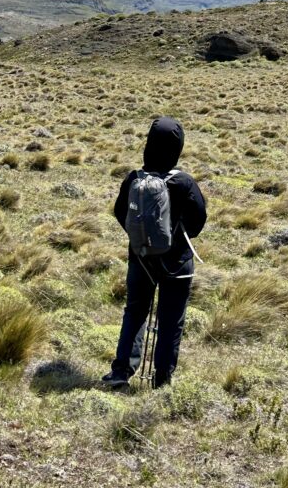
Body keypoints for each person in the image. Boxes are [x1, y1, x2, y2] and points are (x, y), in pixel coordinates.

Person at [102, 116, 206, 389]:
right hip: (178, 264)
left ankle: (121, 371)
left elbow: (120, 213)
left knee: (135, 313)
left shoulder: (134, 179)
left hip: (141, 259)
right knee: (172, 321)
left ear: (148, 144)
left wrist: (141, 240)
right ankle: (162, 380)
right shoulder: (184, 183)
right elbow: (198, 223)